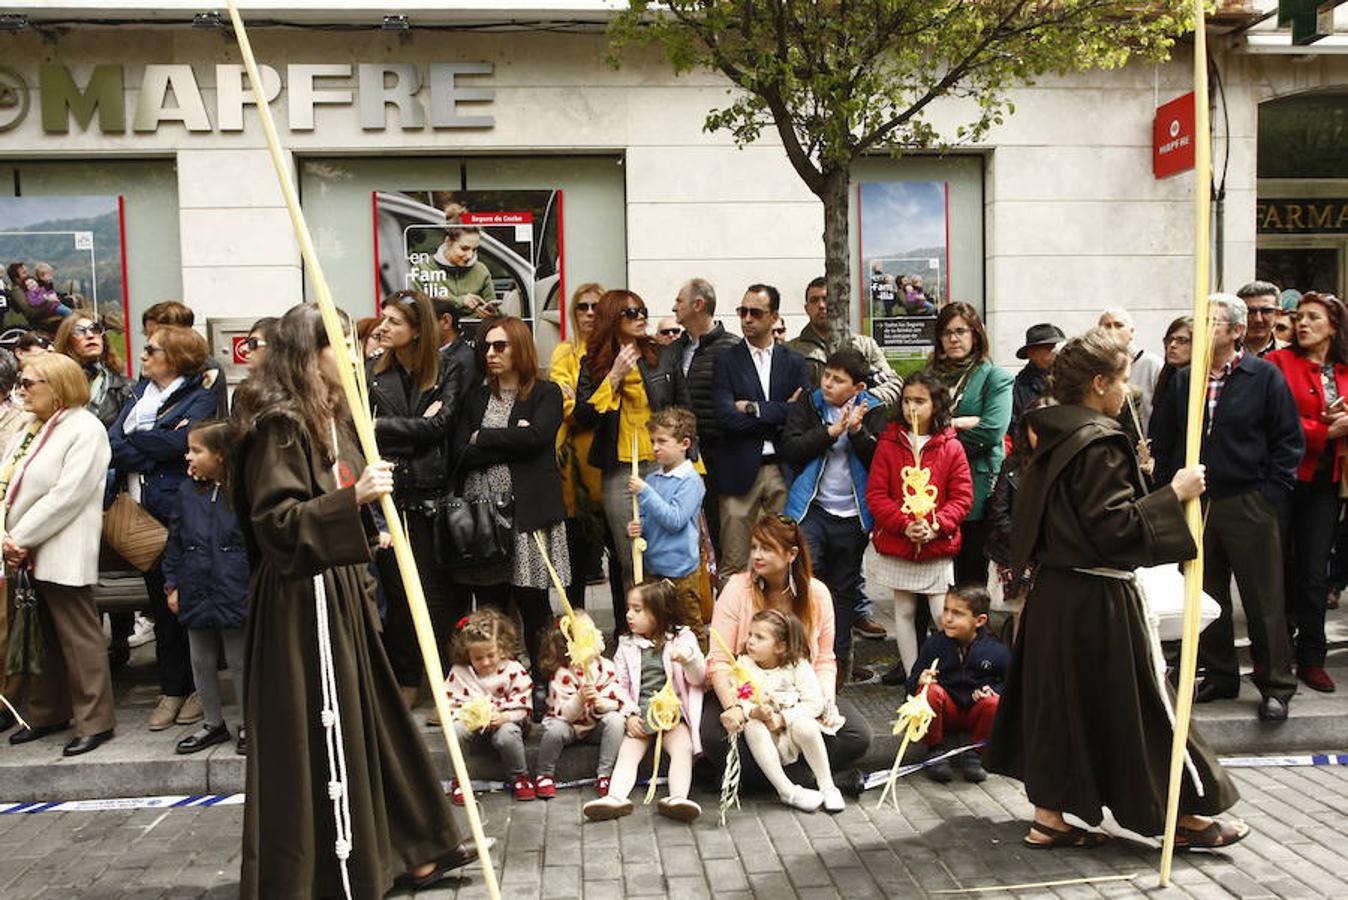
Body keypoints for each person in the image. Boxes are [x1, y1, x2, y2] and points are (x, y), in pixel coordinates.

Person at [231, 303, 473, 897]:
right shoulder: (280, 423)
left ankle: (410, 849)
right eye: (339, 343)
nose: (356, 353)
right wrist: (354, 502)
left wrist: (368, 523)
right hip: (300, 603)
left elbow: (334, 491)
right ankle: (329, 865)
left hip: (336, 591)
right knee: (320, 726)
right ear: (308, 354)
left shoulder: (331, 416)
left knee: (370, 717)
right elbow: (276, 522)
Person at [985, 328, 1246, 850]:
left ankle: (1049, 817)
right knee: (1140, 707)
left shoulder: (1045, 432)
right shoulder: (1098, 442)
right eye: (1123, 380)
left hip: (1054, 596)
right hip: (1097, 599)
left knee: (1062, 706)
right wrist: (1173, 494)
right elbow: (1114, 531)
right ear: (1100, 382)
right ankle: (1181, 817)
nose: (1127, 390)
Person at [1150, 295, 1301, 720]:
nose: (1202, 328)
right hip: (1197, 501)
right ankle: (1219, 674)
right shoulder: (1185, 380)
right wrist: (1171, 495)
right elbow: (1165, 439)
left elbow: (1288, 440)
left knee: (1262, 594)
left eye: (1213, 321)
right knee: (1204, 593)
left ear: (1236, 331)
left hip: (1249, 499)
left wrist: (1271, 493)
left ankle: (1275, 684)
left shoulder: (1263, 376)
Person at [701, 515, 873, 790]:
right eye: (754, 547)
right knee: (713, 739)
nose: (757, 555)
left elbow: (826, 660)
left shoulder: (817, 593)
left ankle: (767, 777)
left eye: (766, 549)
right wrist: (733, 707)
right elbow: (719, 660)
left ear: (791, 554)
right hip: (745, 690)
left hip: (797, 692)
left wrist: (826, 700)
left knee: (858, 736)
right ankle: (818, 780)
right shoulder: (736, 588)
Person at [0, 354, 115, 755]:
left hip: (60, 546)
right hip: (25, 549)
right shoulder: (33, 426)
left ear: (57, 385)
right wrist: (8, 535)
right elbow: (6, 481)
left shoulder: (86, 429)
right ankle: (46, 712)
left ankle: (95, 720)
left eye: (30, 382)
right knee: (40, 635)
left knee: (78, 636)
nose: (21, 389)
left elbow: (68, 495)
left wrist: (20, 537)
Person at [109, 325, 219, 732]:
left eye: (151, 350)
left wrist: (142, 444)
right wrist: (151, 443)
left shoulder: (201, 391)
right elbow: (112, 442)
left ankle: (195, 689)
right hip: (140, 516)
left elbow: (183, 445)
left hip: (179, 509)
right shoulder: (139, 393)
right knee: (160, 604)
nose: (143, 355)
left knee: (186, 602)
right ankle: (172, 687)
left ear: (173, 357)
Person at [451, 315, 569, 688]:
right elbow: (460, 454)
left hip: (526, 517)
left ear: (519, 347)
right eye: (485, 346)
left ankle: (543, 683)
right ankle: (498, 684)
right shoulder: (475, 396)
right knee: (491, 606)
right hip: (484, 519)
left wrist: (482, 437)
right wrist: (508, 439)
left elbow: (537, 440)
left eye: (499, 345)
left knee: (534, 603)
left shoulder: (545, 393)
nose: (490, 353)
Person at [367, 290, 466, 694]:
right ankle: (407, 679)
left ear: (417, 329)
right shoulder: (373, 371)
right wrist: (405, 427)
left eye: (394, 322)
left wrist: (385, 426)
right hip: (390, 494)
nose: (383, 327)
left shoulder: (448, 368)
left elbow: (440, 426)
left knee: (438, 594)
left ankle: (445, 680)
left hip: (433, 495)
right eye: (383, 319)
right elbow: (365, 428)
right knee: (398, 593)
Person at [780, 348, 888, 689]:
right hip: (811, 508)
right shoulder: (809, 404)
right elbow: (791, 448)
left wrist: (855, 432)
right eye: (827, 375)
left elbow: (881, 460)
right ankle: (799, 661)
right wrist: (830, 433)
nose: (827, 383)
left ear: (857, 388)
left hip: (853, 515)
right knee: (806, 583)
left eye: (838, 380)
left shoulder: (875, 409)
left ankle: (836, 667)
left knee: (843, 592)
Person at [575, 291, 690, 598]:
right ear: (613, 318)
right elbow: (583, 416)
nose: (641, 317)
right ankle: (640, 628)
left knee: (666, 551)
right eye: (631, 313)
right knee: (630, 556)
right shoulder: (594, 362)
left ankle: (671, 629)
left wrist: (689, 461)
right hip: (620, 469)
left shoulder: (663, 354)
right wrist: (613, 376)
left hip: (662, 464)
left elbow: (684, 408)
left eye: (643, 310)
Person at [866, 371, 974, 683]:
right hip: (900, 543)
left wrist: (936, 525)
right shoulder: (888, 444)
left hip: (937, 543)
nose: (911, 408)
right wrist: (903, 524)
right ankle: (915, 677)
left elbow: (962, 496)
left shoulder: (951, 447)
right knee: (904, 612)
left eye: (920, 401)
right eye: (906, 401)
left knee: (942, 615)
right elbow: (877, 494)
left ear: (936, 404)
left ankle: (950, 673)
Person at [1267, 292, 1348, 694]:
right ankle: (1276, 656)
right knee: (1276, 568)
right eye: (1299, 317)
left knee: (1315, 572)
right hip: (1280, 480)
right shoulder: (1276, 364)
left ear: (1333, 326)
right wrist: (1322, 430)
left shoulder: (1345, 369)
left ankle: (1312, 656)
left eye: (1313, 317)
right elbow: (1268, 418)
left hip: (1326, 484)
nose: (1302, 324)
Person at [582, 578, 705, 822]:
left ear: (660, 612)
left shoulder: (683, 639)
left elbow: (699, 677)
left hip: (673, 714)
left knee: (683, 749)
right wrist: (629, 713)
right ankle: (615, 797)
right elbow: (618, 683)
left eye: (637, 610)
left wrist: (689, 660)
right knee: (628, 752)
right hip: (641, 712)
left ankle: (678, 798)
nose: (629, 615)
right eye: (629, 608)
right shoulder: (627, 644)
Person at [163, 420, 250, 755]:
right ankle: (213, 724)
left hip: (233, 587)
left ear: (222, 455)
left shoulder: (241, 493)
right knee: (200, 659)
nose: (188, 457)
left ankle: (248, 724)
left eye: (196, 450)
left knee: (239, 659)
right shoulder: (186, 492)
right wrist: (172, 584)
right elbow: (175, 541)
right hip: (195, 586)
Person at [711, 284, 811, 574]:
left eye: (756, 312)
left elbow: (800, 413)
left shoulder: (793, 362)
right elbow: (725, 417)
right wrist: (779, 411)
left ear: (774, 317)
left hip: (783, 468)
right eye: (743, 311)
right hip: (739, 470)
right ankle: (734, 620)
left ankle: (778, 619)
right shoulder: (726, 361)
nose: (747, 319)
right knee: (735, 563)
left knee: (781, 559)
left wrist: (754, 408)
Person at [929, 303, 1011, 585]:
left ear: (975, 334)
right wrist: (964, 422)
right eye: (947, 332)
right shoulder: (929, 377)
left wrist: (947, 427)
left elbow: (991, 430)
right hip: (932, 486)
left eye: (961, 331)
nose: (954, 339)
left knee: (969, 574)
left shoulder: (994, 377)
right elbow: (917, 425)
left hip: (976, 485)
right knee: (934, 575)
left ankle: (972, 629)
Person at [735, 609, 845, 812]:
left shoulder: (798, 666)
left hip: (792, 730)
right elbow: (740, 698)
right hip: (766, 736)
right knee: (753, 727)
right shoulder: (744, 665)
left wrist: (782, 718)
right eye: (750, 634)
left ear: (780, 646)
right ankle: (786, 790)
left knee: (806, 724)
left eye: (759, 637)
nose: (750, 641)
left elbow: (814, 703)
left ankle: (827, 785)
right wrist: (754, 712)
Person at [908, 584, 1009, 784]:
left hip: (976, 713)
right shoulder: (935, 644)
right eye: (946, 610)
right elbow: (910, 685)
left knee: (994, 703)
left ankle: (976, 753)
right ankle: (935, 751)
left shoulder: (996, 650)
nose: (948, 618)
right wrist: (920, 681)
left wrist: (993, 691)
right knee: (930, 692)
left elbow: (1011, 686)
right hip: (946, 711)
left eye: (958, 613)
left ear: (979, 621)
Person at [550, 282, 611, 614]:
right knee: (573, 549)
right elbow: (566, 405)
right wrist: (589, 407)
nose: (589, 313)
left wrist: (587, 405)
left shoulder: (614, 350)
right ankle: (576, 624)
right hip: (574, 468)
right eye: (582, 307)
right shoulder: (565, 351)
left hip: (608, 462)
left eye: (595, 307)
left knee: (616, 551)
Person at [669, 278, 741, 546]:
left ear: (698, 305)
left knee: (721, 538)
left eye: (679, 301)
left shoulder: (733, 349)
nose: (674, 307)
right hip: (680, 460)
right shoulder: (674, 350)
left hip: (719, 459)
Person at [628, 407, 707, 646]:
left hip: (680, 573)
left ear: (684, 443)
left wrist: (645, 492)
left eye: (662, 441)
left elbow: (674, 520)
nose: (654, 447)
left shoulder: (692, 481)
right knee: (656, 627)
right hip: (653, 569)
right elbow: (648, 517)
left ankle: (703, 677)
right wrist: (637, 527)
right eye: (653, 441)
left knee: (690, 628)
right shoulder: (652, 479)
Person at [535, 609, 633, 801]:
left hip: (594, 724)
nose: (598, 634)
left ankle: (605, 773)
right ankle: (544, 773)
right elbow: (565, 714)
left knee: (615, 721)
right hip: (569, 725)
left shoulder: (606, 666)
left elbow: (619, 699)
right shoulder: (562, 674)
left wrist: (605, 704)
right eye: (589, 633)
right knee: (554, 731)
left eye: (595, 629)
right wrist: (580, 698)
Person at [443, 608, 535, 803]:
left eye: (490, 655)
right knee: (455, 731)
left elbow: (523, 703)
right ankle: (459, 779)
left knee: (507, 734)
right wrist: (469, 715)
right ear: (467, 655)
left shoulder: (513, 670)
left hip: (507, 721)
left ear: (501, 648)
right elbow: (451, 702)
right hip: (474, 725)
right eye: (478, 658)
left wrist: (505, 716)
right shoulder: (460, 673)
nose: (485, 662)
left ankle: (520, 776)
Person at [785, 277, 902, 407]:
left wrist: (862, 401)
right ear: (807, 309)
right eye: (814, 300)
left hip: (860, 422)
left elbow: (893, 383)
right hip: (813, 425)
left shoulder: (865, 345)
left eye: (826, 299)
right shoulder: (790, 351)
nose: (822, 305)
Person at [140, 302, 229, 416]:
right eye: (147, 334)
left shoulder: (207, 368)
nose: (149, 340)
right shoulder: (150, 364)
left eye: (154, 333)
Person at [413, 207, 497, 319]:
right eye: (464, 248)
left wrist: (490, 314)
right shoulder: (423, 268)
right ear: (448, 242)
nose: (470, 256)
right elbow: (418, 308)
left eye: (475, 249)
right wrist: (462, 301)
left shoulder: (481, 270)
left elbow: (494, 310)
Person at [54, 314, 134, 428]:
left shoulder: (126, 388)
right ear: (67, 344)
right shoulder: (55, 387)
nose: (90, 335)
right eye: (79, 331)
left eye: (95, 329)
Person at [1098, 306, 1162, 435]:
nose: (1112, 331)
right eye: (1107, 326)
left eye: (1118, 325)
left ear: (1131, 332)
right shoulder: (1094, 364)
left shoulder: (1151, 364)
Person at [1009, 323, 1064, 434]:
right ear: (1032, 353)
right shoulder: (1019, 387)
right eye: (1049, 348)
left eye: (1055, 347)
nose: (1055, 353)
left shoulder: (1067, 377)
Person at [1150, 316, 1193, 429]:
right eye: (1170, 340)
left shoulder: (1195, 384)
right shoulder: (1166, 378)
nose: (1173, 345)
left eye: (1182, 340)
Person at [433, 297, 479, 401]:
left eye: (424, 323)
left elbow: (452, 404)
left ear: (446, 321)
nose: (417, 330)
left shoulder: (463, 360)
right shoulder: (429, 353)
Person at [1237, 281, 1288, 359]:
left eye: (1266, 311)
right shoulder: (1222, 353)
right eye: (1250, 311)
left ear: (1278, 314)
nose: (1258, 319)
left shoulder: (1290, 355)